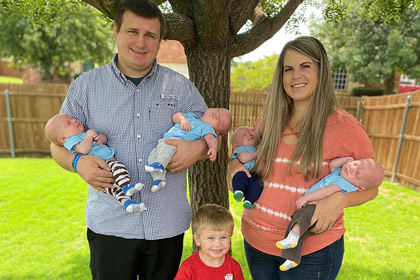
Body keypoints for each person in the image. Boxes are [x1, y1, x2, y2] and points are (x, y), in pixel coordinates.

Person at [49, 0, 212, 279]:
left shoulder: (181, 87)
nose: (141, 42)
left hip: (166, 223)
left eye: (150, 35)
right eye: (132, 32)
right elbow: (57, 144)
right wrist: (78, 162)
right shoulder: (84, 87)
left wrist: (196, 147)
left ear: (160, 41)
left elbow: (211, 127)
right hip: (111, 224)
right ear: (116, 31)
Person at [227, 36, 379, 280]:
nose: (295, 76)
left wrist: (338, 200)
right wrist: (234, 166)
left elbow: (371, 188)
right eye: (288, 69)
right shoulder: (270, 121)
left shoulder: (345, 128)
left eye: (305, 66)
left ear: (322, 70)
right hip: (257, 243)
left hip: (312, 251)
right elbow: (244, 158)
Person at [276, 157, 384, 271]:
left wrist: (306, 198)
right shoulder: (340, 173)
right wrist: (345, 161)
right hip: (312, 206)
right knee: (301, 236)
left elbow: (326, 192)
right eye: (356, 164)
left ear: (360, 188)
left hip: (315, 208)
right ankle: (292, 259)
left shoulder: (345, 184)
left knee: (300, 218)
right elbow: (332, 165)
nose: (352, 169)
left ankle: (293, 235)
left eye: (357, 174)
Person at [45, 113, 146, 213]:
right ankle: (126, 187)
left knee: (115, 189)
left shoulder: (83, 135)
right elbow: (83, 150)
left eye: (72, 118)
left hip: (106, 165)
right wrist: (89, 135)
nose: (74, 120)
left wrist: (99, 137)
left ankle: (127, 203)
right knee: (118, 168)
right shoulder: (72, 141)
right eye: (68, 123)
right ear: (62, 139)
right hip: (103, 166)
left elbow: (104, 140)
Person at [145, 108, 232, 192]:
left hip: (175, 144)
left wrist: (212, 148)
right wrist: (182, 119)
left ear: (216, 132)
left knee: (164, 153)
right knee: (152, 156)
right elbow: (175, 117)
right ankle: (159, 179)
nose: (217, 115)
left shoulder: (206, 127)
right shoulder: (191, 116)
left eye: (220, 121)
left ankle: (160, 165)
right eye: (218, 111)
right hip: (164, 142)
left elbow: (211, 139)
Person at [174, 204, 245, 280]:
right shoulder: (188, 268)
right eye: (211, 238)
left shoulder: (234, 267)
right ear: (197, 240)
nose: (218, 244)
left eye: (223, 237)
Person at [230, 125, 263, 209]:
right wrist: (257, 153)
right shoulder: (241, 149)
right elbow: (243, 158)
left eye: (249, 132)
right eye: (244, 135)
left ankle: (249, 200)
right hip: (244, 173)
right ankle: (238, 192)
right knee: (239, 176)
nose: (249, 134)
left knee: (258, 184)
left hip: (254, 176)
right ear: (236, 145)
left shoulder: (257, 147)